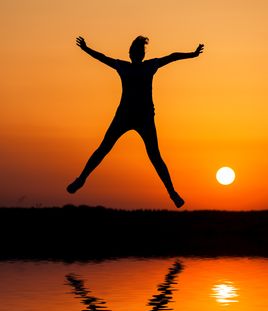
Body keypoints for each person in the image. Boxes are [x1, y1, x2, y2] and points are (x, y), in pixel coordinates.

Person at [67, 35, 204, 208]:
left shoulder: (146, 66)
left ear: (139, 55)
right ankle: (81, 179)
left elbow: (172, 57)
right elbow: (102, 57)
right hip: (125, 116)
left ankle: (172, 193)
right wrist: (86, 49)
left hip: (144, 118)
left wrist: (192, 54)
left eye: (137, 51)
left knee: (154, 156)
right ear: (131, 54)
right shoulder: (127, 66)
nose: (135, 54)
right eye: (134, 51)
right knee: (104, 148)